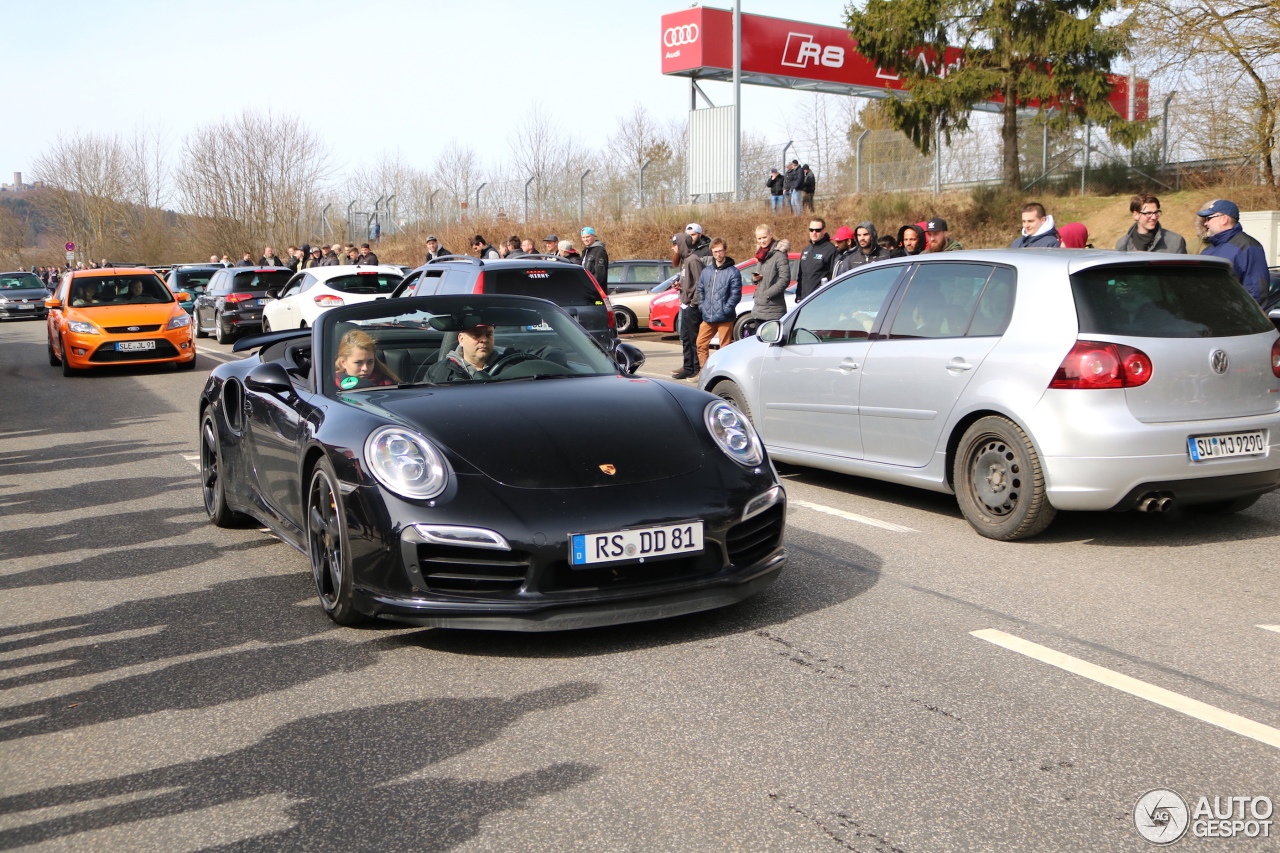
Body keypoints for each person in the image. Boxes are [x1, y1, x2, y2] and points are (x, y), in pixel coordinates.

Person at [426, 322, 554, 382]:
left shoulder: (513, 360)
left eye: (489, 335)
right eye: (476, 335)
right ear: (461, 339)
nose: (483, 340)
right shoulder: (439, 372)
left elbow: (552, 353)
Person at [1197, 199, 1269, 302]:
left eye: (1209, 218)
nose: (1205, 223)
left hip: (1234, 316)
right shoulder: (1208, 250)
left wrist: (1247, 317)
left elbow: (1257, 292)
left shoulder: (1248, 246)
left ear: (1224, 219)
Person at [671, 224, 713, 380]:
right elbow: (689, 282)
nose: (673, 248)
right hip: (684, 303)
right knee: (685, 337)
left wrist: (693, 303)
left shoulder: (693, 260)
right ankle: (688, 366)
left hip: (692, 306)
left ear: (681, 244)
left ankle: (696, 368)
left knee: (694, 338)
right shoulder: (684, 260)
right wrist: (680, 286)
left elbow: (699, 283)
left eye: (675, 245)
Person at [695, 239, 743, 369]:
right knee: (700, 343)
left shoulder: (733, 272)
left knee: (724, 347)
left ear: (725, 250)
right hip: (708, 316)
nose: (718, 254)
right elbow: (700, 289)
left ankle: (723, 371)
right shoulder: (707, 271)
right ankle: (704, 371)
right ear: (712, 252)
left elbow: (736, 294)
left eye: (720, 251)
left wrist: (726, 309)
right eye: (715, 251)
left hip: (725, 317)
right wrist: (702, 306)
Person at [1115, 194, 1187, 254]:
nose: (1154, 217)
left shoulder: (1175, 241)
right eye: (1148, 213)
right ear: (1136, 215)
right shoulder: (1123, 244)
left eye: (1156, 212)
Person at [334, 329, 399, 389]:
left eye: (370, 362)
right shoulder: (329, 388)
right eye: (358, 362)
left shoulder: (389, 385)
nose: (365, 368)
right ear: (343, 362)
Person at [751, 226, 790, 325]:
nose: (762, 241)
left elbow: (785, 279)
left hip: (774, 309)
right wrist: (755, 278)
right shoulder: (761, 254)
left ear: (771, 235)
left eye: (764, 237)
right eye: (759, 238)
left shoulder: (779, 255)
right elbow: (759, 276)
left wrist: (768, 294)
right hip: (759, 309)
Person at [797, 217, 837, 300]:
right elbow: (801, 275)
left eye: (817, 230)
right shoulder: (806, 250)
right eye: (811, 230)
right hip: (804, 300)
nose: (814, 233)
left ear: (824, 230)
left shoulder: (830, 250)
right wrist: (798, 295)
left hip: (821, 299)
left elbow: (834, 277)